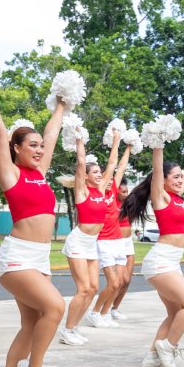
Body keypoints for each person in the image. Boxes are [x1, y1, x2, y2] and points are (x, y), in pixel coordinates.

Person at [0, 89, 66, 367]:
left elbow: (52, 133)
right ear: (15, 148)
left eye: (40, 146)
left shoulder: (40, 173)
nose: (39, 149)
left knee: (32, 324)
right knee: (55, 307)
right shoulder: (10, 173)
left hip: (40, 258)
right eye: (32, 145)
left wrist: (61, 106)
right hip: (17, 257)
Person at [121, 140, 184, 367]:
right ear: (164, 180)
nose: (180, 180)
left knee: (175, 312)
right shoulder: (162, 197)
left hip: (172, 262)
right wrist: (158, 142)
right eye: (175, 177)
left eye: (181, 177)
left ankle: (151, 357)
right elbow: (157, 168)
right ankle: (168, 346)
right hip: (160, 262)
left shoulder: (178, 196)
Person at [59, 132, 123, 343]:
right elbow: (80, 163)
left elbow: (112, 164)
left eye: (99, 172)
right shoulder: (82, 191)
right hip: (78, 242)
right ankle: (67, 330)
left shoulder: (101, 190)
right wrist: (79, 140)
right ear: (85, 176)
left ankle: (74, 327)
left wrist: (116, 140)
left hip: (91, 244)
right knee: (84, 288)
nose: (99, 174)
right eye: (94, 172)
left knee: (93, 288)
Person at [89, 140, 132, 327]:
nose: (107, 180)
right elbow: (112, 164)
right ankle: (94, 312)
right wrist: (115, 140)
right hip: (104, 242)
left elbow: (119, 166)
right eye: (102, 177)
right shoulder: (96, 193)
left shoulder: (113, 191)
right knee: (113, 283)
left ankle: (105, 314)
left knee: (120, 282)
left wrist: (128, 146)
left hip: (118, 241)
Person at [104, 177, 136, 321]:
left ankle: (114, 309)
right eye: (123, 192)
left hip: (128, 243)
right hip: (116, 242)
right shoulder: (111, 202)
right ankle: (104, 309)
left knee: (127, 280)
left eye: (127, 191)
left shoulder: (128, 204)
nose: (126, 194)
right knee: (118, 281)